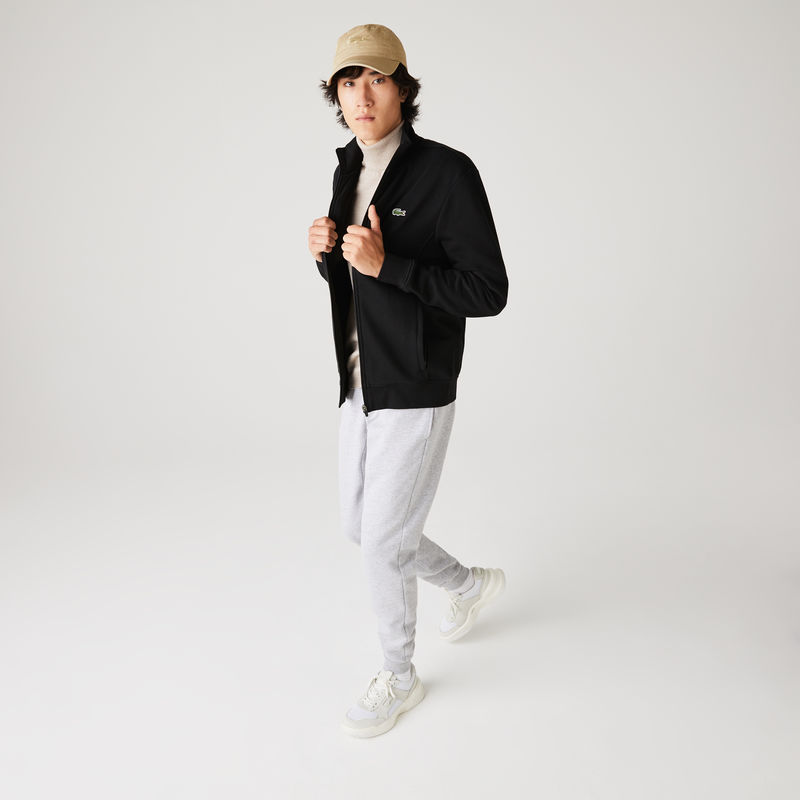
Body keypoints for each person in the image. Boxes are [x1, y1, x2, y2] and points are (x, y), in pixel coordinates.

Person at [307, 23, 509, 738]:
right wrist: (328, 257)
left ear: (402, 89)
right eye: (348, 82)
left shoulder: (447, 173)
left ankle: (399, 673)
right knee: (362, 529)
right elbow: (359, 279)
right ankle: (467, 584)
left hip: (417, 383)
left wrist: (387, 265)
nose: (362, 95)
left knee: (384, 540)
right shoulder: (348, 169)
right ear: (336, 95)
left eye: (377, 79)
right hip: (361, 381)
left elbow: (488, 291)